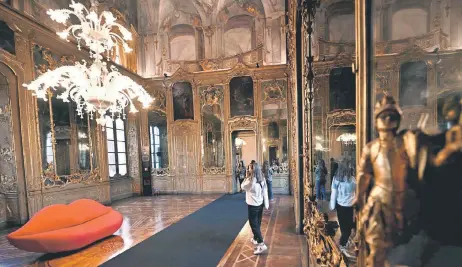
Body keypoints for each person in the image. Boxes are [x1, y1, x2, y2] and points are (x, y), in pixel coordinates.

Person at [241, 161, 269, 255]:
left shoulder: (250, 181)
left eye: (249, 168)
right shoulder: (262, 179)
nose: (248, 169)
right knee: (258, 222)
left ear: (253, 170)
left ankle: (261, 244)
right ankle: (256, 239)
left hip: (253, 205)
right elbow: (265, 191)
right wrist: (267, 204)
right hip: (260, 204)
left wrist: (246, 176)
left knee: (254, 224)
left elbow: (242, 186)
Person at [329, 160, 356, 258]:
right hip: (349, 207)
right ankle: (342, 246)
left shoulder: (337, 179)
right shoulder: (352, 179)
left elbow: (334, 194)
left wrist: (332, 205)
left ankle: (343, 245)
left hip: (342, 206)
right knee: (346, 230)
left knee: (346, 228)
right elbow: (356, 193)